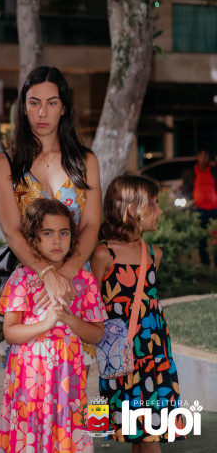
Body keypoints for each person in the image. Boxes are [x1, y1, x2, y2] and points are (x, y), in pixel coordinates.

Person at [0, 65, 101, 368]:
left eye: (52, 103)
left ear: (63, 108)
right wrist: (46, 274)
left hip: (76, 285)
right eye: (34, 102)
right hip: (27, 287)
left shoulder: (85, 161)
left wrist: (65, 275)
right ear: (23, 108)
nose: (42, 112)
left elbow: (91, 225)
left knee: (75, 379)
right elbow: (12, 232)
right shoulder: (5, 163)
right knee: (28, 382)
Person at [0, 198, 106, 452]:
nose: (57, 241)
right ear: (33, 238)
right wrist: (46, 323)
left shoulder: (85, 280)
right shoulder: (22, 278)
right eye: (48, 233)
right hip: (28, 378)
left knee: (66, 430)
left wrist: (68, 319)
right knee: (29, 433)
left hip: (68, 376)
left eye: (64, 233)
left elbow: (96, 334)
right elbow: (10, 332)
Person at [90, 175, 183, 450]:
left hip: (156, 356)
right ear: (132, 209)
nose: (160, 210)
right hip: (122, 357)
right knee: (142, 435)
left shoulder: (154, 254)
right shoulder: (103, 254)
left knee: (148, 433)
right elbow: (92, 307)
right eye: (154, 203)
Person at [181, 148, 217, 266]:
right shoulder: (190, 173)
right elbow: (185, 190)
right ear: (197, 157)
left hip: (214, 209)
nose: (204, 157)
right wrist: (191, 203)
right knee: (201, 238)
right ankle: (205, 262)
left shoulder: (214, 171)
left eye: (206, 155)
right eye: (201, 155)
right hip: (199, 209)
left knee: (215, 237)